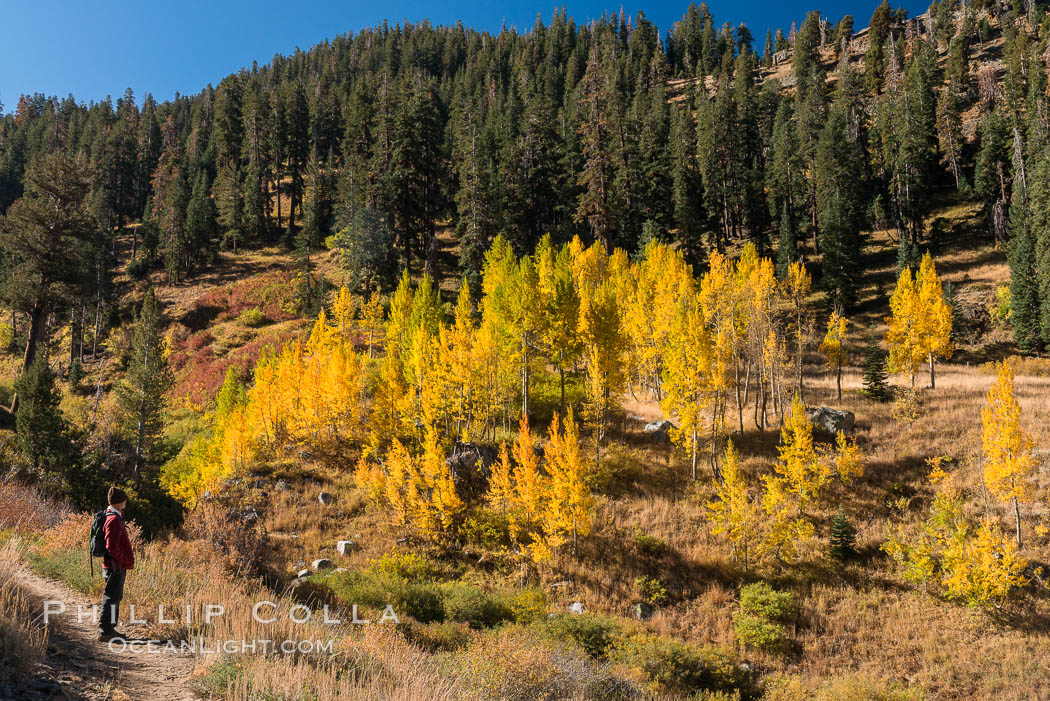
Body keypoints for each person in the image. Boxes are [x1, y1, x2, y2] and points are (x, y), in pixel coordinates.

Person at [98, 487, 134, 642]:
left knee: (115, 597)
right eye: (124, 499)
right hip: (115, 566)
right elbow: (111, 546)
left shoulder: (113, 515)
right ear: (120, 501)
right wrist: (124, 560)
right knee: (111, 597)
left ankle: (110, 629)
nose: (126, 501)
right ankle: (105, 631)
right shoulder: (113, 519)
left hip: (115, 565)